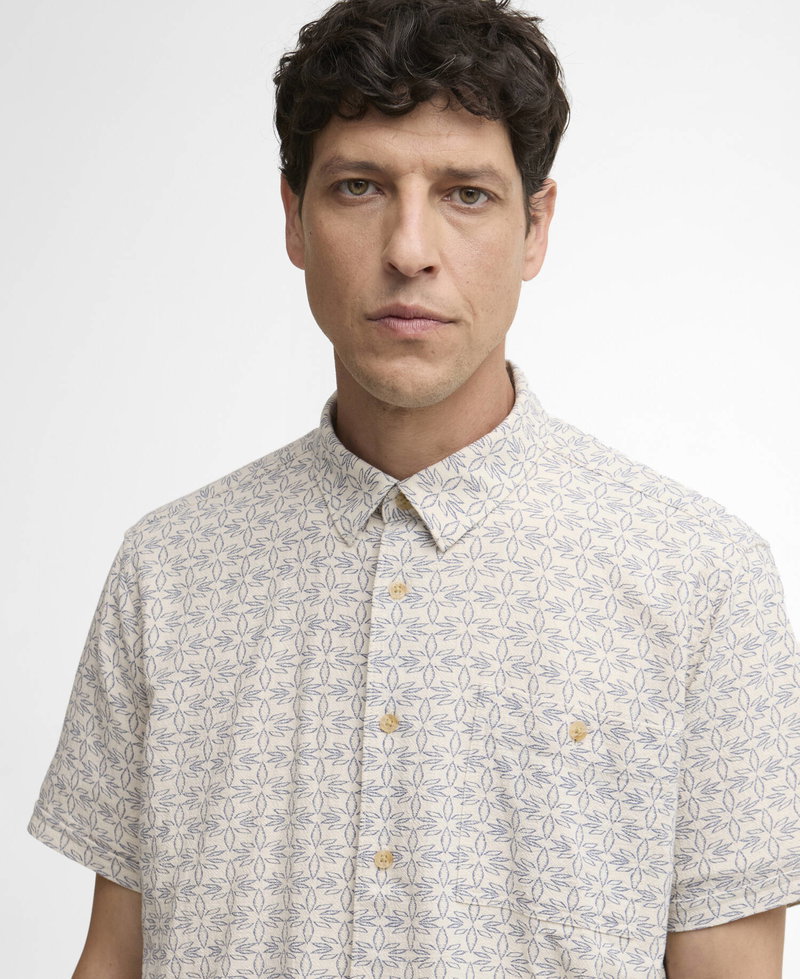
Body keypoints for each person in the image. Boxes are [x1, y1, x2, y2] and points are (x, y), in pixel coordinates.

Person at [27, 0, 800, 976]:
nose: (408, 249)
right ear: (293, 218)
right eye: (359, 186)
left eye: (466, 194)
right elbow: (113, 957)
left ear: (536, 227)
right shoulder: (168, 572)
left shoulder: (700, 582)